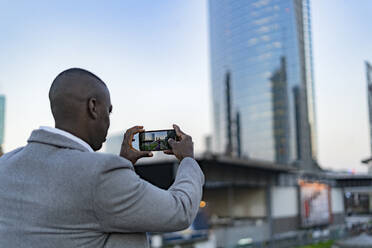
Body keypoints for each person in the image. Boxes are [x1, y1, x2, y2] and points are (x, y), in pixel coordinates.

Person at [0, 68, 205, 248]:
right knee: (130, 225)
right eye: (109, 111)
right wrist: (188, 160)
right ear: (93, 107)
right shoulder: (101, 174)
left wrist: (123, 164)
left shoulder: (5, 165)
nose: (108, 120)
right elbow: (180, 211)